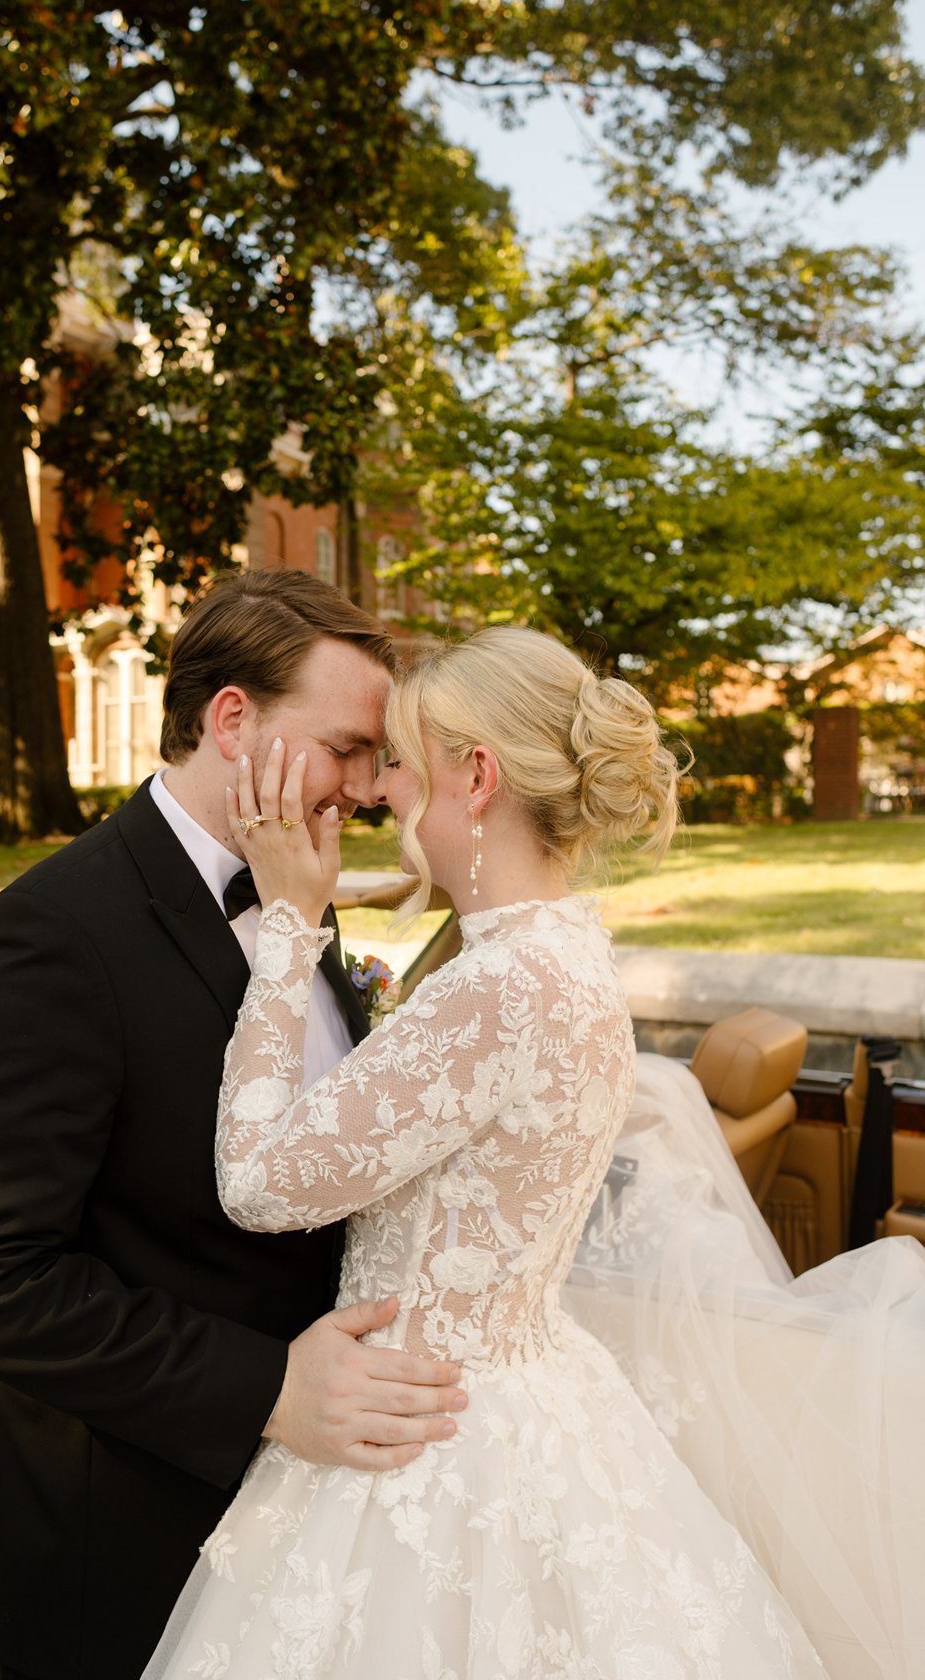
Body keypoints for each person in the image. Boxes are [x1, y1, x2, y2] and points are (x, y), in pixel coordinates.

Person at [141, 624, 827, 1678]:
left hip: (431, 1446)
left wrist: (290, 925)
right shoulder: (569, 955)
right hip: (533, 1403)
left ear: (476, 775)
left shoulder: (497, 989)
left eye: (404, 761)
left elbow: (260, 1185)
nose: (380, 791)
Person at [0, 567, 468, 1680]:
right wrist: (268, 1392)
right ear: (232, 721)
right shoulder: (50, 934)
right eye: (348, 748)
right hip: (108, 1535)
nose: (368, 788)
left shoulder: (299, 904)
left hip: (285, 1536)